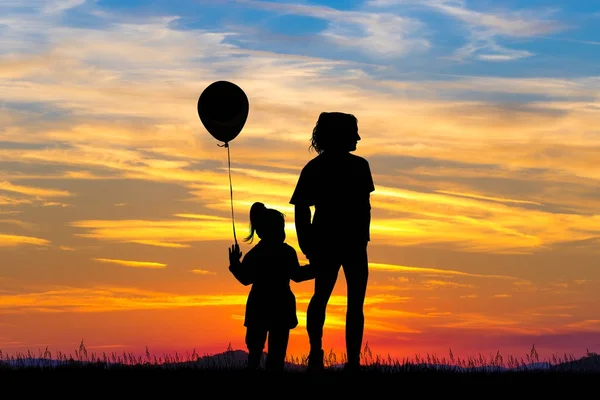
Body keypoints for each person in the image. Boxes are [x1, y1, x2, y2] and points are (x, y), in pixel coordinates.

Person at [289, 112, 375, 372]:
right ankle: (325, 356)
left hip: (344, 243)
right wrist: (307, 243)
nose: (358, 137)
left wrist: (307, 242)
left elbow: (364, 207)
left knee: (335, 300)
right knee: (332, 299)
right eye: (353, 132)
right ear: (340, 135)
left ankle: (343, 360)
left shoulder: (328, 167)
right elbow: (301, 209)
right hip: (337, 243)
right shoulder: (347, 167)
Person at [228, 201, 315, 372]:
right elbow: (297, 275)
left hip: (258, 306)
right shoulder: (287, 252)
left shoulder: (255, 254)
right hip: (281, 307)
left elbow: (245, 279)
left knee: (254, 353)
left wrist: (235, 265)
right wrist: (317, 269)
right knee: (277, 356)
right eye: (280, 228)